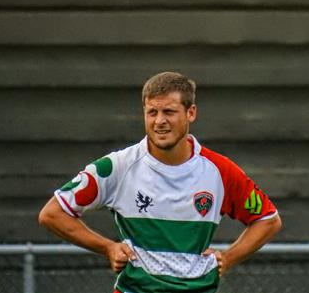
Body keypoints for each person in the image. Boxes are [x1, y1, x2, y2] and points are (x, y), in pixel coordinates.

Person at [39, 71, 282, 293]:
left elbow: (268, 220)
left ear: (191, 113)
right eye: (152, 112)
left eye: (169, 112)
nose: (159, 121)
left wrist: (228, 258)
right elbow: (52, 213)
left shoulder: (220, 171)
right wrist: (108, 247)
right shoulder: (117, 166)